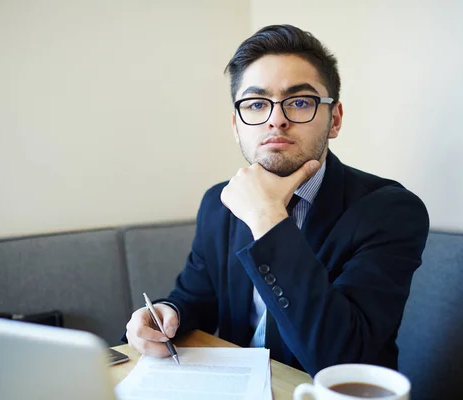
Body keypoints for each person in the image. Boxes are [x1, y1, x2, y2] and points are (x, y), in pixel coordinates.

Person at [124, 24, 429, 375]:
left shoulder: (390, 211)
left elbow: (343, 358)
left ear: (334, 120)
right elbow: (195, 299)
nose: (277, 120)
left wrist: (268, 218)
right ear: (237, 125)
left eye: (299, 102)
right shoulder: (218, 203)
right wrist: (166, 313)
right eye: (256, 104)